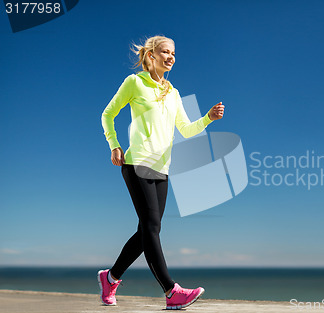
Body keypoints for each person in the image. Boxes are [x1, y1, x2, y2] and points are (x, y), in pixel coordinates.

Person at [99, 35, 224, 310]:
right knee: (152, 228)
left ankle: (110, 278)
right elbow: (107, 114)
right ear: (151, 55)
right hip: (136, 162)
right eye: (165, 52)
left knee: (147, 230)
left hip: (162, 167)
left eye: (174, 54)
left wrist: (207, 119)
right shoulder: (134, 83)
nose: (171, 57)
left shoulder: (174, 93)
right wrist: (114, 145)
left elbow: (186, 130)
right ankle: (171, 291)